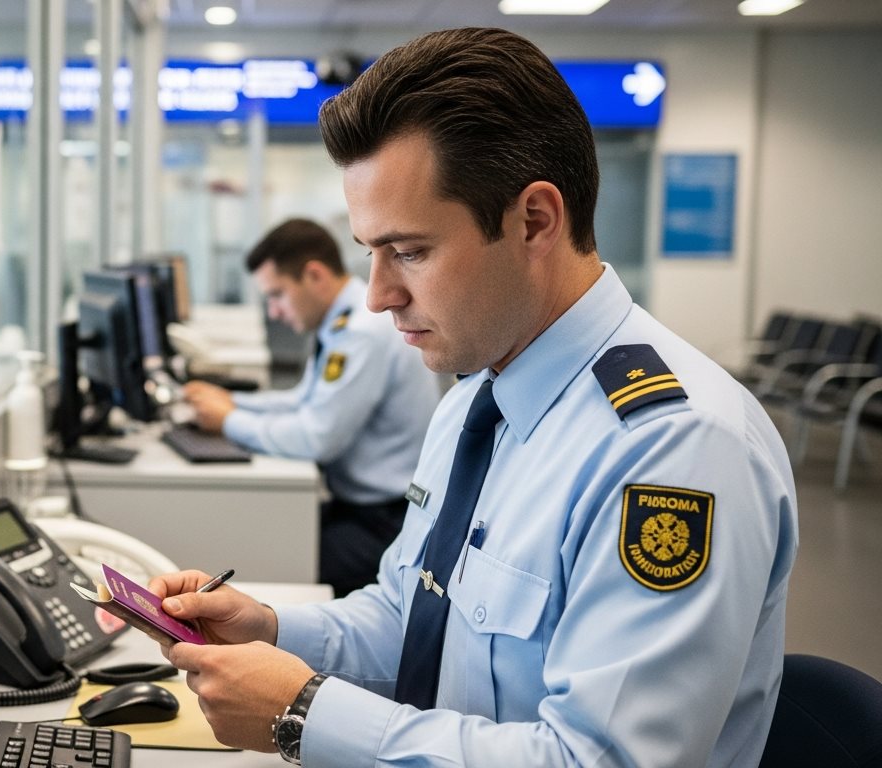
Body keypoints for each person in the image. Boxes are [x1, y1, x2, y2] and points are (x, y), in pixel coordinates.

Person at [151, 27, 798, 767]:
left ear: (535, 221)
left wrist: (302, 712)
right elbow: (409, 612)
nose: (377, 296)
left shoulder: (674, 448)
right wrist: (269, 630)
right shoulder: (472, 400)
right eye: (370, 253)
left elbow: (599, 760)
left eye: (411, 252)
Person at [182, 218, 441, 596]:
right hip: (361, 508)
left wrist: (230, 421)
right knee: (265, 536)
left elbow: (317, 438)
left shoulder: (361, 333)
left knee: (267, 557)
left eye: (277, 295)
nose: (274, 312)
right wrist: (232, 403)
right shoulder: (340, 321)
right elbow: (304, 400)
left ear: (314, 275)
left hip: (385, 523)